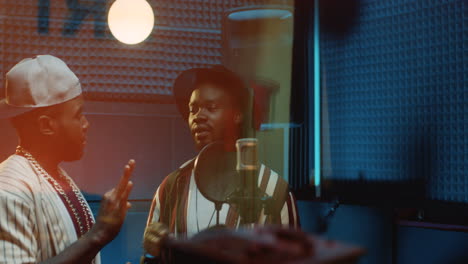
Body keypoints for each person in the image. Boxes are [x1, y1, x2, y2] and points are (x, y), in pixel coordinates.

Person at [143, 66, 300, 262]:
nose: (198, 117)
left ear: (237, 115)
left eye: (211, 108)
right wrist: (153, 247)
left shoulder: (273, 189)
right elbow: (152, 255)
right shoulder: (171, 187)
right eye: (193, 110)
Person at [0, 55, 135, 264]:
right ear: (46, 125)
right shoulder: (9, 188)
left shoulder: (52, 175)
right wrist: (98, 235)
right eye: (78, 115)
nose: (86, 124)